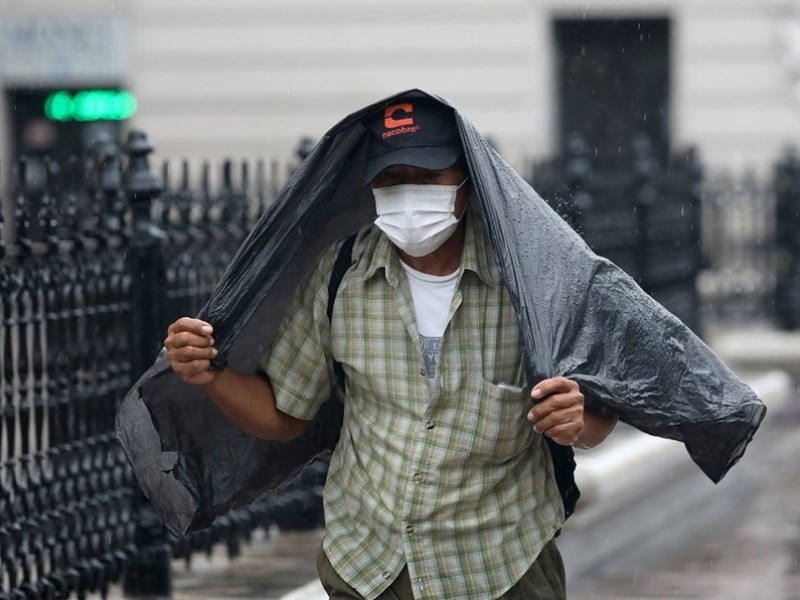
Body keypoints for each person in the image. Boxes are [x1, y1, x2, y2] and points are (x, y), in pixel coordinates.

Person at [165, 97, 618, 599]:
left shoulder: (531, 280)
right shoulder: (340, 276)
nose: (407, 195)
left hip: (498, 567)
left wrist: (578, 422)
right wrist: (212, 375)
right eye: (390, 180)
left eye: (426, 177)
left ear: (468, 180)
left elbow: (598, 413)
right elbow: (283, 413)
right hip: (367, 567)